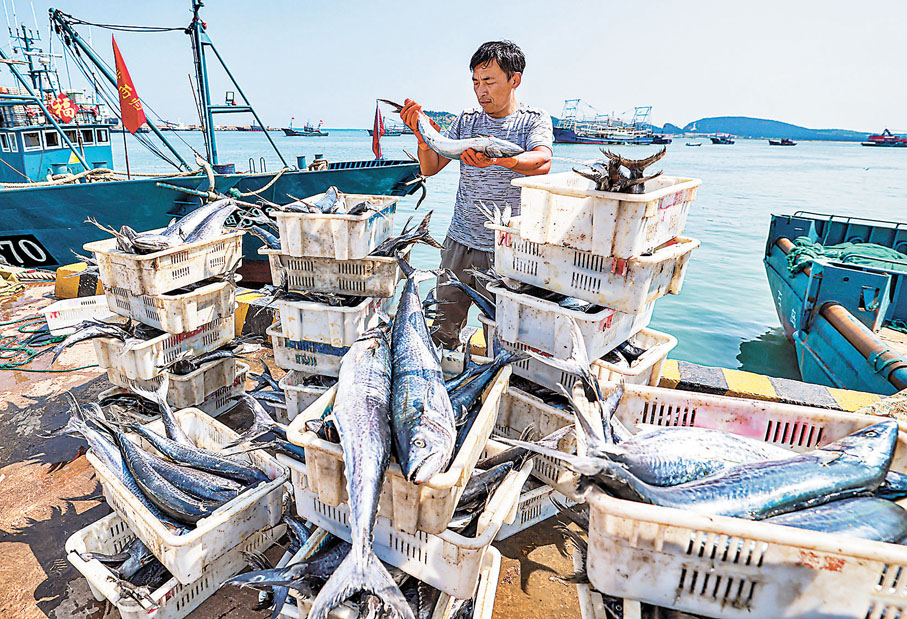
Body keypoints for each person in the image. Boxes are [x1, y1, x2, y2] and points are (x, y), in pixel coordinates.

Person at [400, 40, 553, 349]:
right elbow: (431, 168)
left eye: (489, 82)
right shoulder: (467, 121)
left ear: (515, 80)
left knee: (502, 332)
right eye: (476, 82)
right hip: (458, 242)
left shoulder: (533, 120)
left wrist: (499, 159)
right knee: (442, 325)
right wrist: (422, 135)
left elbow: (542, 161)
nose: (481, 90)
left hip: (506, 249)